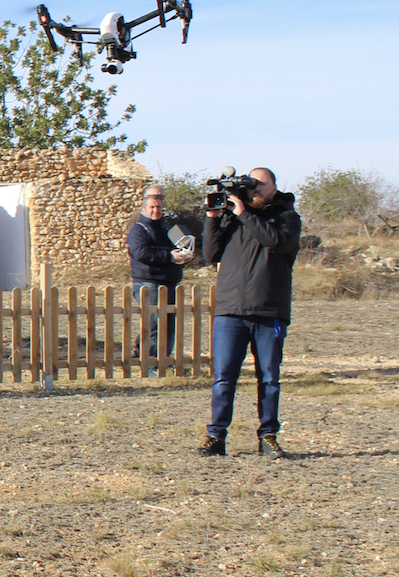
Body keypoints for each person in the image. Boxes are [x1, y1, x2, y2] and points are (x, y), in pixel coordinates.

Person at [199, 167, 301, 459]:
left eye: (260, 185)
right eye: (251, 186)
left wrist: (244, 213)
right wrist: (212, 218)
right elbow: (211, 254)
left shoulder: (287, 218)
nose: (255, 190)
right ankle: (216, 436)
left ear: (274, 188)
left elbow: (276, 242)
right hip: (230, 310)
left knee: (269, 378)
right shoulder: (233, 218)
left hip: (269, 311)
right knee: (223, 378)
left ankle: (268, 435)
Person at [127, 185, 193, 374]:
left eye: (159, 207)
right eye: (152, 207)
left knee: (168, 326)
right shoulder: (138, 230)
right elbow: (142, 253)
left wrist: (184, 256)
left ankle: (162, 361)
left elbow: (175, 250)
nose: (156, 211)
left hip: (169, 284)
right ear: (143, 209)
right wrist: (171, 256)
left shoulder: (166, 230)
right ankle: (150, 365)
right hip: (149, 283)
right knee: (154, 324)